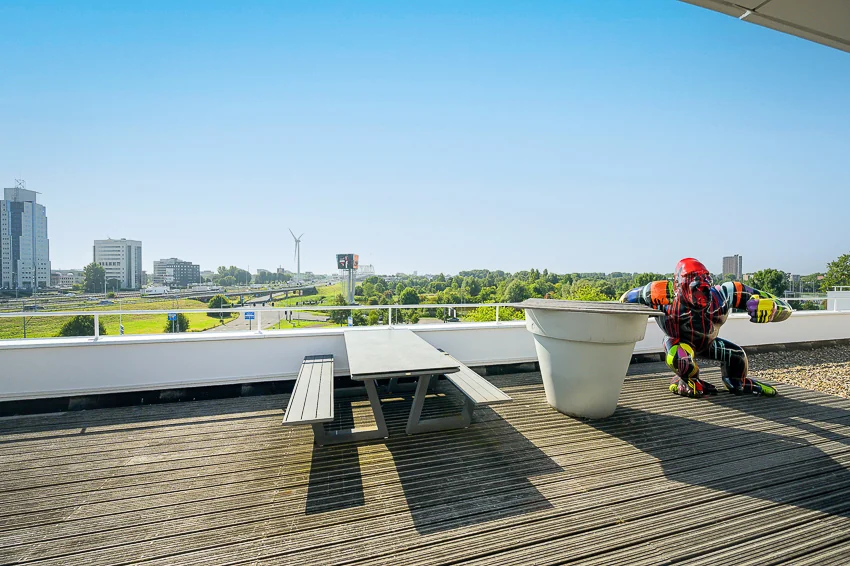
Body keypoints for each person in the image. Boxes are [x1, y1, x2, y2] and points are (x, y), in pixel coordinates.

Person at [619, 258, 792, 398]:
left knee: (738, 356)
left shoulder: (727, 293)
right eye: (693, 279)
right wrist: (645, 293)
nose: (701, 286)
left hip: (708, 343)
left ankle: (738, 382)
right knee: (680, 359)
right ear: (678, 285)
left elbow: (785, 307)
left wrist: (773, 309)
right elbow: (623, 303)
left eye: (705, 279)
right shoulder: (665, 297)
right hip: (679, 343)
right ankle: (686, 380)